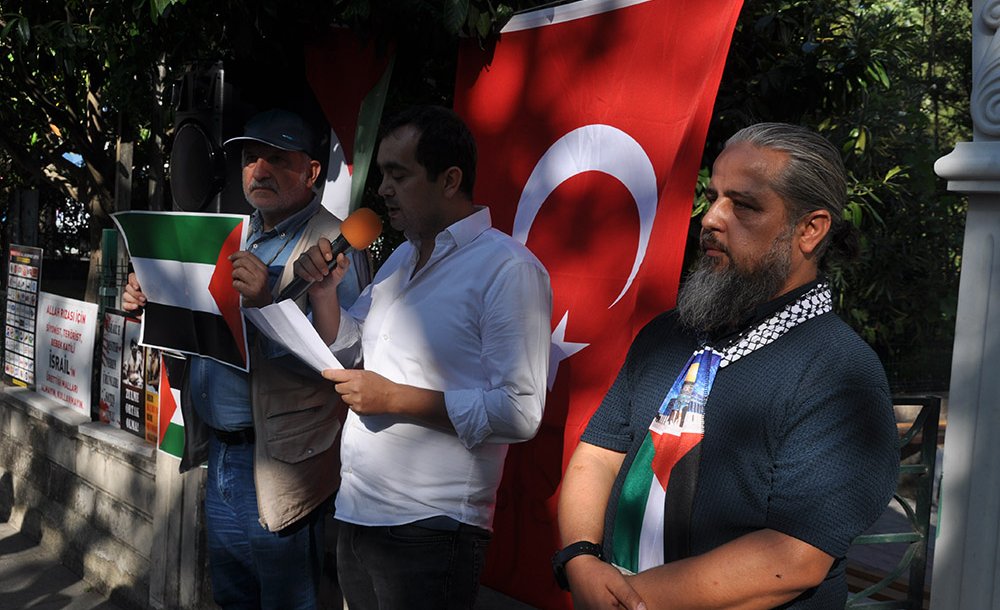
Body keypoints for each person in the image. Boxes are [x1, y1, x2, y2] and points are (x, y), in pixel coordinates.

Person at [554, 123, 900, 609]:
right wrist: (581, 558)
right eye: (713, 196)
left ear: (810, 229)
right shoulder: (667, 334)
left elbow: (794, 557)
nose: (712, 218)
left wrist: (621, 600)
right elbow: (598, 454)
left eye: (745, 205)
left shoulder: (839, 372)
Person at [293, 105, 553, 609]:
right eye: (383, 173)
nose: (384, 189)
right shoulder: (402, 256)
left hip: (431, 529)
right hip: (357, 511)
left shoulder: (508, 270)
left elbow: (521, 412)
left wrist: (394, 398)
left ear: (450, 179)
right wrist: (325, 295)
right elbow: (352, 346)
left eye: (399, 174)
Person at [123, 108, 366, 609]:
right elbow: (202, 334)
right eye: (251, 158)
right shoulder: (233, 233)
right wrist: (153, 302)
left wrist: (265, 303)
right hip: (223, 453)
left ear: (312, 172)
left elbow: (346, 358)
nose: (259, 170)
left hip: (284, 463)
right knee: (233, 599)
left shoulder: (336, 244)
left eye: (278, 159)